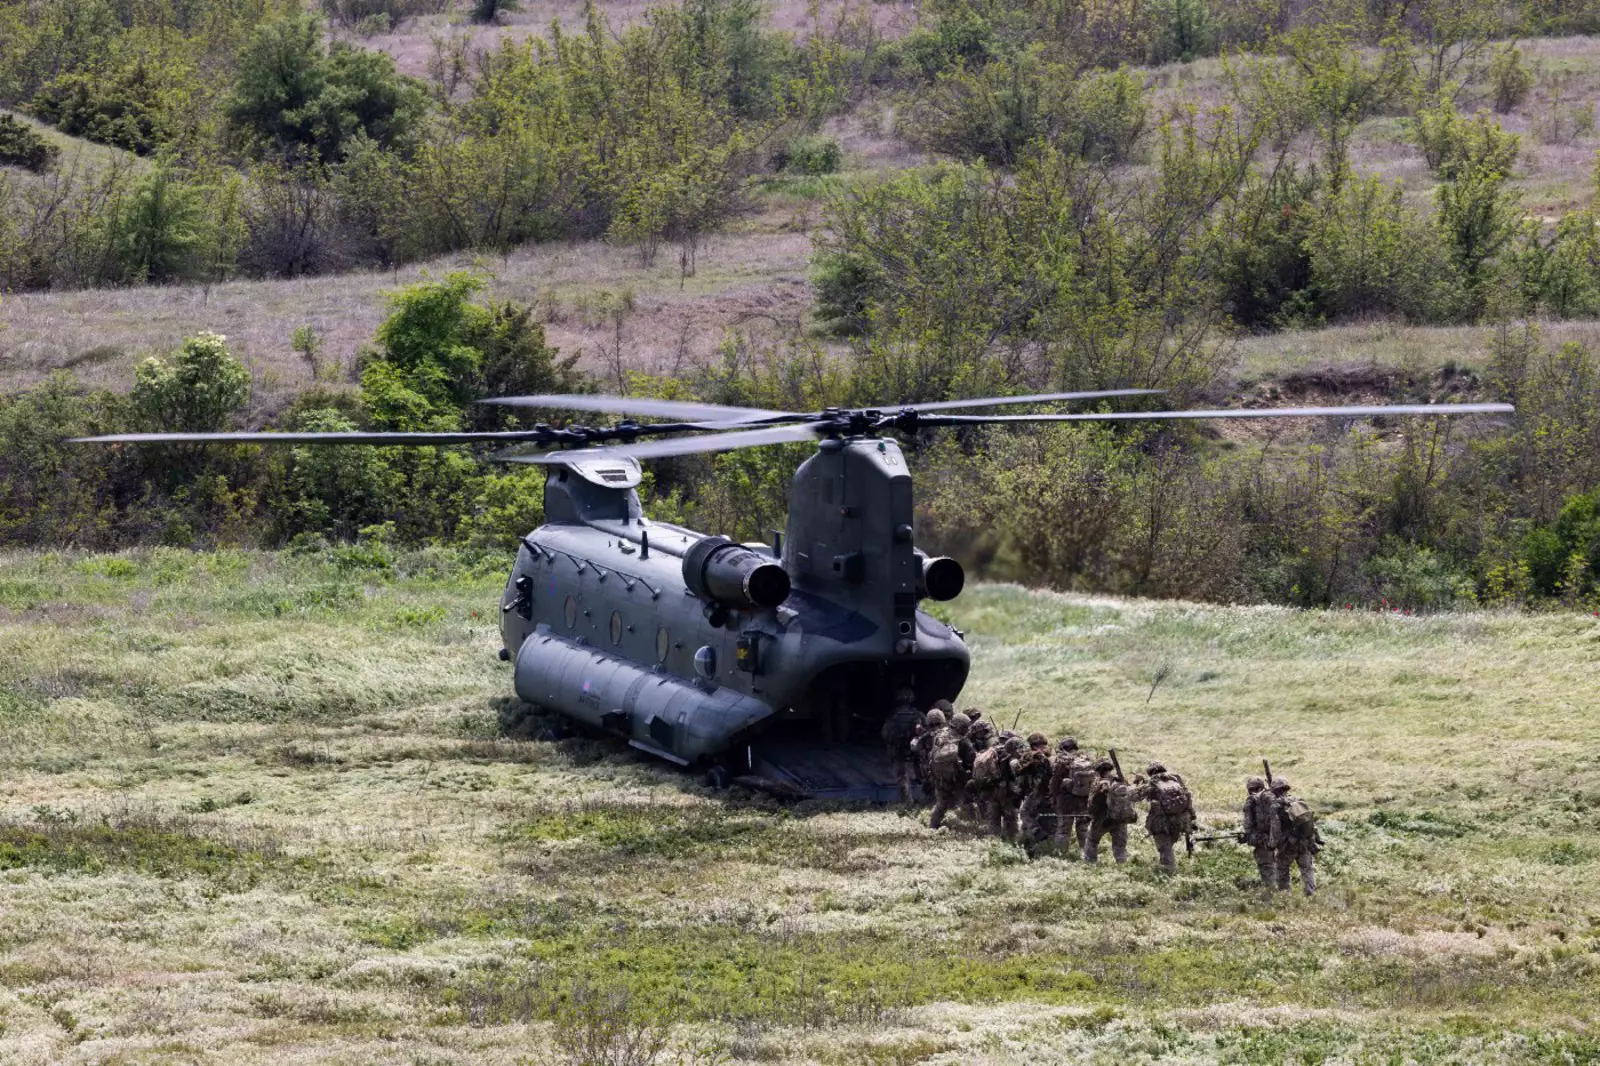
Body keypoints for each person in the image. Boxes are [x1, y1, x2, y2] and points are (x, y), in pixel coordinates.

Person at [1136, 761, 1195, 872]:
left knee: (1164, 846)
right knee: (1169, 843)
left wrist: (1138, 783)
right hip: (1181, 819)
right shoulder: (1175, 779)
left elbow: (1134, 796)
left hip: (1162, 821)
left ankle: (1169, 871)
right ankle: (1170, 864)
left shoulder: (1152, 782)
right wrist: (1191, 816)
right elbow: (1188, 794)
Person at [1269, 778, 1321, 896]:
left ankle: (1285, 894)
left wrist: (1272, 844)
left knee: (1282, 869)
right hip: (1304, 842)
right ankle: (1310, 892)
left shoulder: (1275, 806)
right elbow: (1311, 822)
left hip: (1287, 845)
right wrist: (1314, 839)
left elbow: (1275, 828)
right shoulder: (1299, 800)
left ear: (1274, 790)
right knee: (1307, 869)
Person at [926, 712, 975, 830]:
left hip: (939, 778)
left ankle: (932, 827)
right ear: (960, 727)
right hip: (957, 779)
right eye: (965, 727)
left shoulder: (939, 735)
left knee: (941, 805)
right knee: (967, 801)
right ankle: (973, 826)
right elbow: (971, 758)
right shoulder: (963, 741)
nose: (967, 730)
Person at [1085, 759, 1136, 864]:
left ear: (1098, 770)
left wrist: (1090, 814)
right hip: (1120, 818)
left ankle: (1090, 863)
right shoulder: (1121, 780)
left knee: (1092, 841)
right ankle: (1122, 864)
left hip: (1103, 819)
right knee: (1120, 846)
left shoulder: (1099, 783)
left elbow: (1093, 803)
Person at [1050, 737, 1094, 855]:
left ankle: (1061, 853)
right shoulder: (1086, 760)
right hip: (1084, 800)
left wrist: (1054, 797)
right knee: (1083, 828)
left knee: (1064, 830)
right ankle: (1087, 854)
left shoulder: (1062, 762)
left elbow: (1055, 783)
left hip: (1066, 802)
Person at [881, 688, 922, 805]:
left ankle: (907, 800)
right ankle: (926, 792)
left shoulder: (893, 715)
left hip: (898, 749)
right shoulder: (917, 714)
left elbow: (886, 733)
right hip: (914, 748)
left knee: (902, 775)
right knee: (920, 768)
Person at [1016, 732, 1055, 841]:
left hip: (1038, 792)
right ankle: (1051, 842)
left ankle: (1036, 832)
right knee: (1050, 818)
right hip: (1053, 793)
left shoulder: (1032, 755)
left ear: (1032, 744)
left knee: (1025, 813)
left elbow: (1019, 771)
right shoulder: (1052, 754)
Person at [1241, 776, 1274, 888]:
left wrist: (1249, 836)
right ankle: (1284, 894)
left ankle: (1272, 893)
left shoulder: (1252, 801)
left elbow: (1248, 825)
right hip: (1281, 839)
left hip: (1263, 841)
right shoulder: (1273, 796)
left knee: (1266, 867)